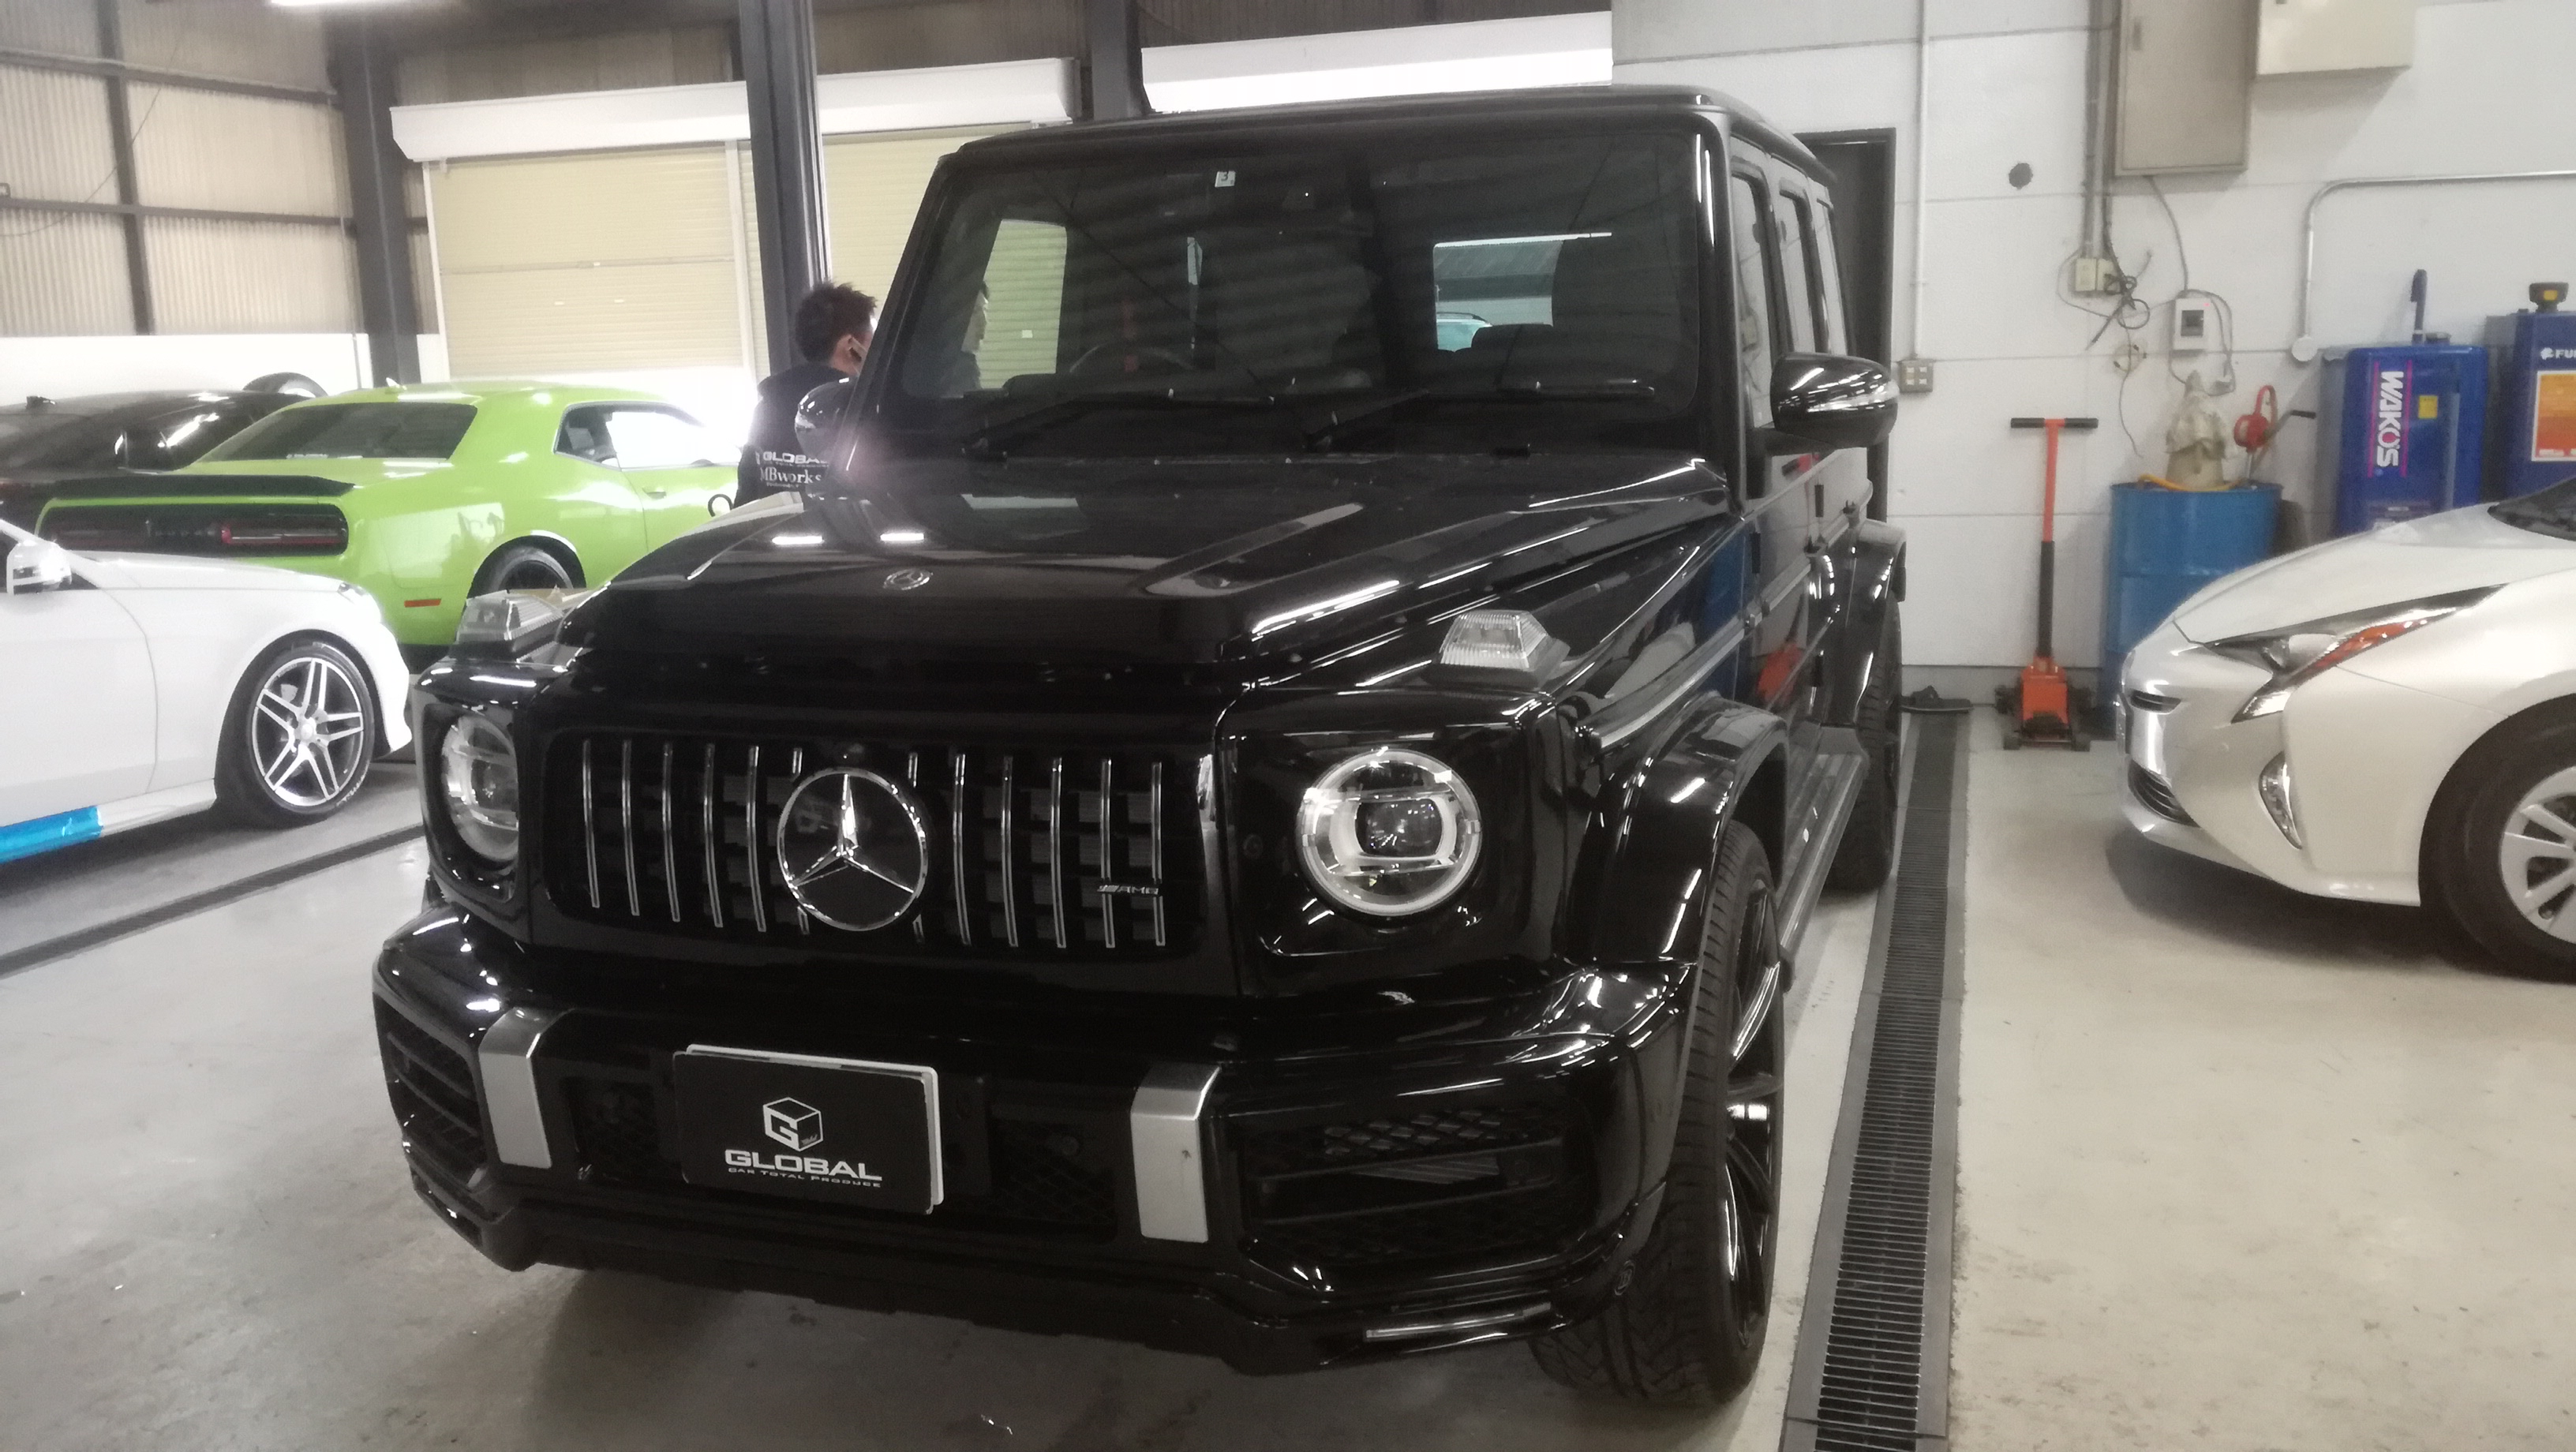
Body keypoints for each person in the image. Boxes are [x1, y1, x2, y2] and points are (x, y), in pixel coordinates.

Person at [736, 282, 875, 507]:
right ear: (851, 345)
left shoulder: (767, 409)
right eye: (872, 339)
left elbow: (747, 498)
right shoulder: (861, 408)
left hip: (777, 527)